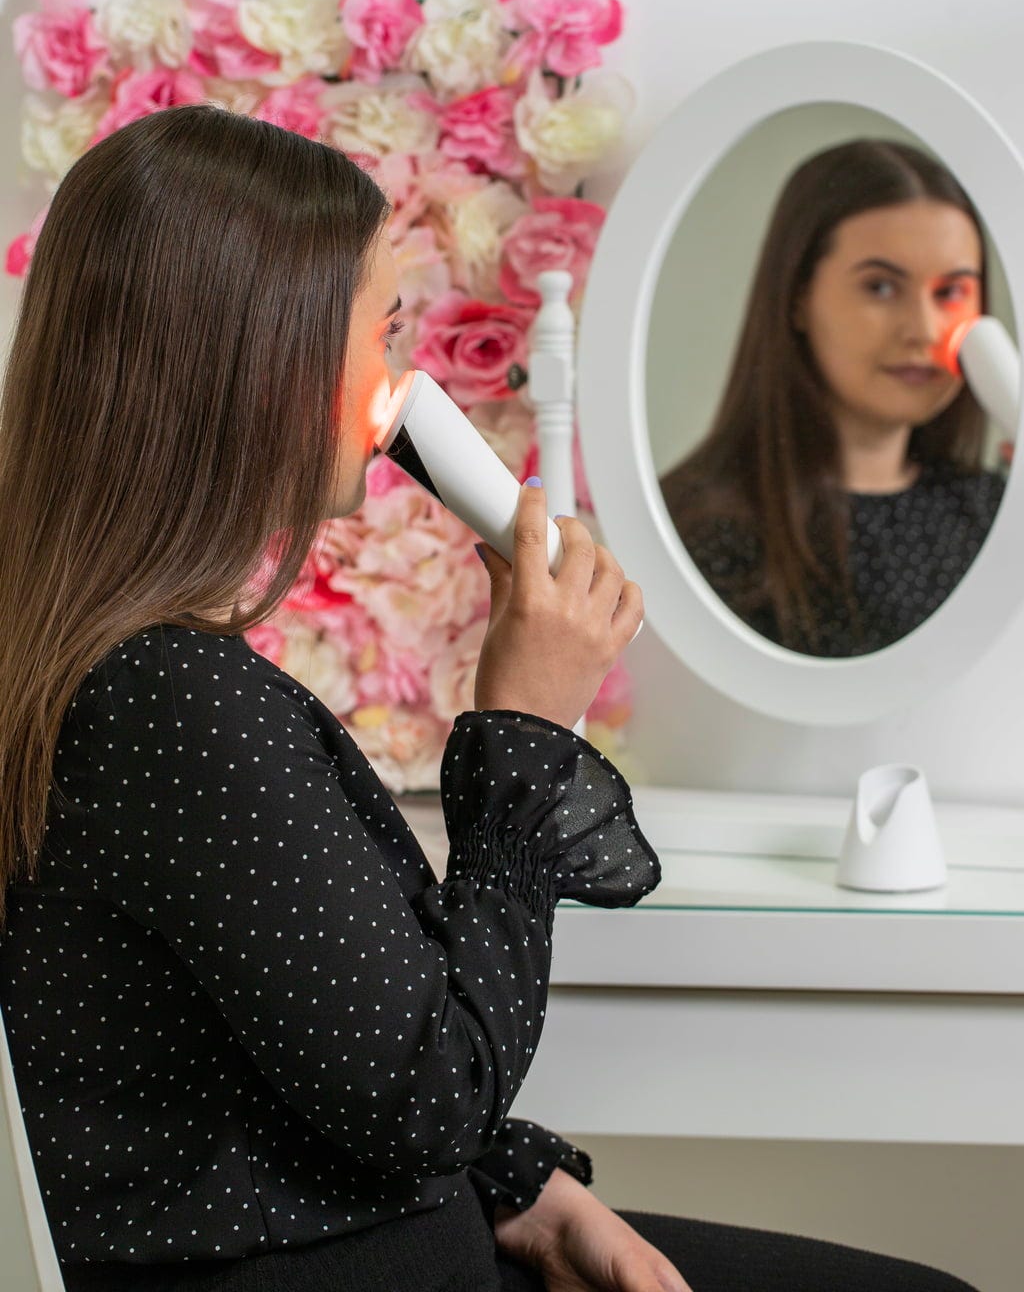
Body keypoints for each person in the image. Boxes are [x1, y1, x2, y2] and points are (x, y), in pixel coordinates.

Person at [0, 106, 977, 1292]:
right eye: (383, 332)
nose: (401, 381)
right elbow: (429, 1098)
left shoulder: (116, 676)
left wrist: (524, 1190)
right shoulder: (174, 705)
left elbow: (304, 1053)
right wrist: (526, 725)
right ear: (267, 361)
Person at [659, 139, 1008, 656]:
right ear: (798, 298)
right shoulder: (701, 528)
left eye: (951, 292)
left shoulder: (993, 511)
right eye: (881, 288)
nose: (924, 330)